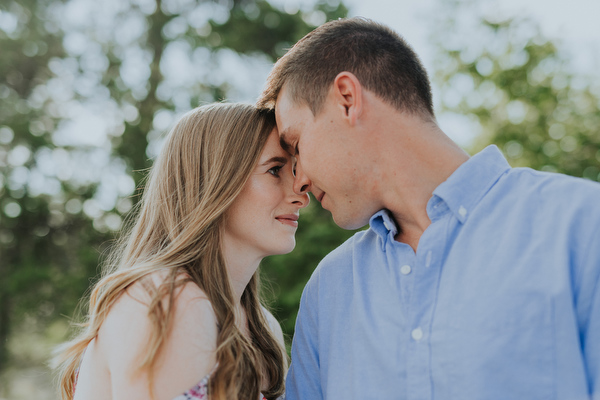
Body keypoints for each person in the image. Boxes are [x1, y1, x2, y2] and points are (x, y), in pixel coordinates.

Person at [257, 17, 600, 400]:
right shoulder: (329, 290)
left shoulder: (582, 226)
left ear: (347, 99)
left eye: (297, 145)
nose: (298, 179)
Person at [53, 103, 309, 400]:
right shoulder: (165, 301)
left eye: (294, 169)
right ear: (214, 181)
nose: (300, 193)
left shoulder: (263, 329)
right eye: (275, 169)